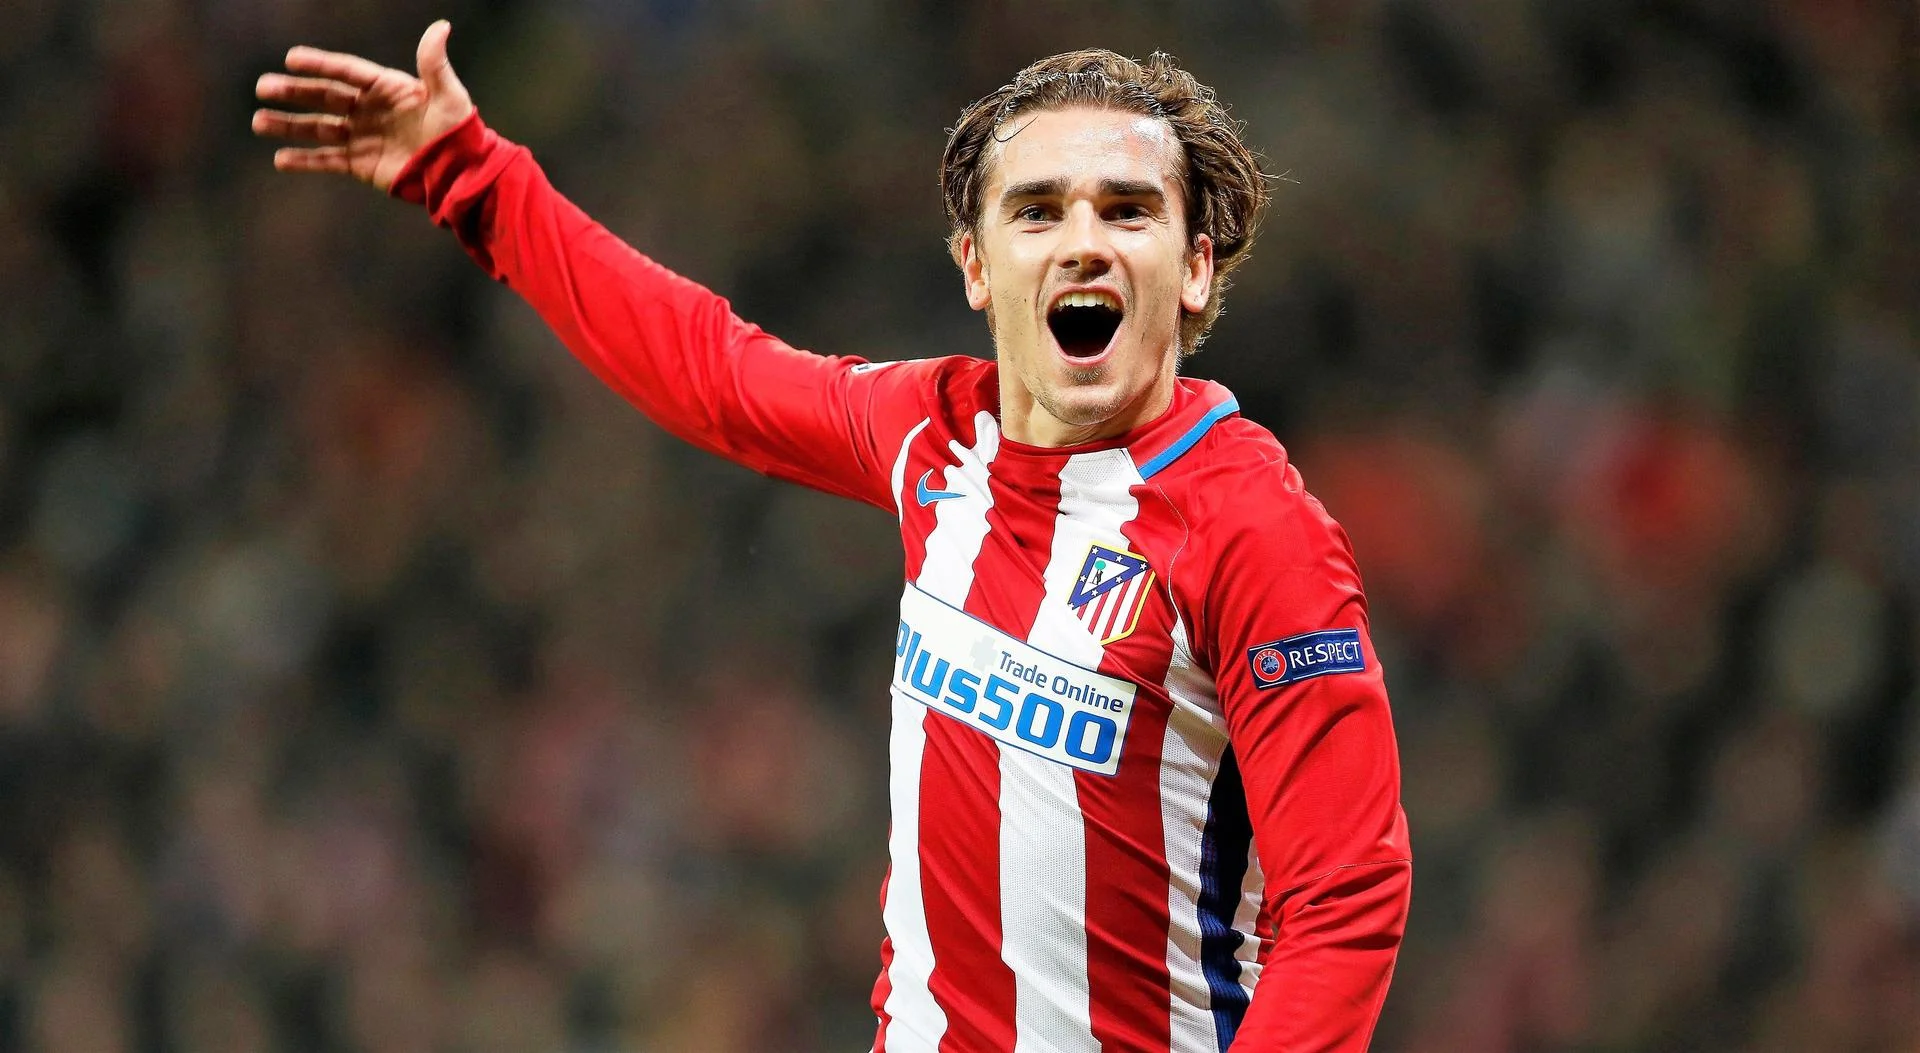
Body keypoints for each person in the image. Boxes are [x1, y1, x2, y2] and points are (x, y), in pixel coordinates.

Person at [253, 21, 1411, 1051]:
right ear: (976, 266)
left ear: (1196, 267)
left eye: (1128, 210)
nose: (1083, 243)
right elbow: (711, 371)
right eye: (1037, 209)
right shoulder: (935, 436)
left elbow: (1346, 899)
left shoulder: (1252, 532)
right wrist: (469, 174)